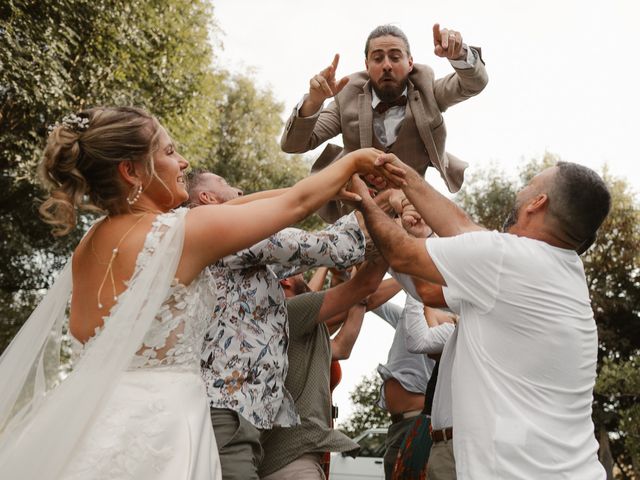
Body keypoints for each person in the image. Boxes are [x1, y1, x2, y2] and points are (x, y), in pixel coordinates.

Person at [0, 106, 383, 479]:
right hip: (167, 423)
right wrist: (350, 163)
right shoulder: (179, 236)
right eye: (168, 151)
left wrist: (331, 185)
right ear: (131, 171)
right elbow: (295, 203)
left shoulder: (90, 243)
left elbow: (246, 204)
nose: (182, 162)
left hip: (93, 417)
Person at [350, 154, 611, 478]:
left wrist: (364, 201)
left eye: (528, 186)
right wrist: (401, 177)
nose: (520, 192)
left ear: (537, 202)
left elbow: (406, 255)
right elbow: (457, 234)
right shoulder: (560, 270)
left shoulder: (510, 260)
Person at [186, 169, 370, 480]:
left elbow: (297, 254)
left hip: (234, 416)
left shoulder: (216, 245)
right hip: (226, 411)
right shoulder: (226, 233)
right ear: (207, 197)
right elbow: (331, 247)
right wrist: (375, 205)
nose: (240, 188)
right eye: (226, 182)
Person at [281, 23, 488, 221]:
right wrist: (314, 101)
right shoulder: (346, 97)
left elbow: (474, 84)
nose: (387, 65)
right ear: (367, 66)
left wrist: (460, 54)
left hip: (413, 209)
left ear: (410, 63)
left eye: (395, 57)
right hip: (359, 215)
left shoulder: (428, 90)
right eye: (378, 58)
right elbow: (293, 145)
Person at [259, 260, 389, 480]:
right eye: (300, 272)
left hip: (299, 454)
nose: (305, 275)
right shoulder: (286, 312)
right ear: (285, 280)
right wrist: (411, 266)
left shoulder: (303, 329)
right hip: (291, 459)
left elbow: (342, 347)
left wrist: (343, 278)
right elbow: (364, 289)